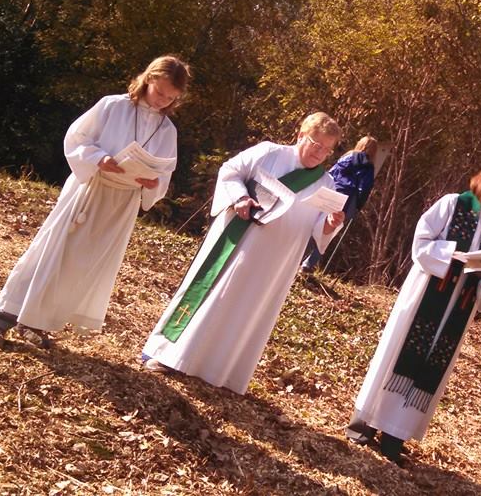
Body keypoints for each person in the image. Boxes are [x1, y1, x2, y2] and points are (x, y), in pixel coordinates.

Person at [0, 55, 192, 348]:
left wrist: (152, 183)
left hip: (123, 202)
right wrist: (99, 158)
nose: (162, 101)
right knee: (51, 250)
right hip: (92, 186)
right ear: (148, 79)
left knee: (80, 263)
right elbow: (77, 138)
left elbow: (164, 170)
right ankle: (0, 318)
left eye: (170, 98)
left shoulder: (167, 130)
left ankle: (36, 322)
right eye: (160, 92)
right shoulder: (113, 106)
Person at [140, 112, 346, 394]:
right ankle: (170, 354)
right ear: (300, 135)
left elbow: (319, 227)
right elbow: (230, 171)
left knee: (248, 308)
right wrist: (239, 197)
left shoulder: (326, 184)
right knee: (215, 293)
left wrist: (331, 224)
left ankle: (218, 369)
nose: (319, 153)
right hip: (240, 242)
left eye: (327, 150)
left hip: (277, 261)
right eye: (315, 144)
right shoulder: (268, 153)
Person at [347, 160, 481, 465]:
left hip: (459, 304)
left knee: (431, 365)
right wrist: (452, 255)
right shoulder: (452, 204)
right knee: (397, 352)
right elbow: (421, 243)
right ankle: (365, 422)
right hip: (426, 294)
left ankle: (395, 434)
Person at [301, 136, 378, 272]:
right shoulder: (368, 166)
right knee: (330, 232)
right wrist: (358, 206)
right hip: (346, 201)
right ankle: (308, 264)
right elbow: (364, 187)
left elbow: (332, 172)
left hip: (329, 192)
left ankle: (298, 255)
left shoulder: (347, 156)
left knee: (313, 223)